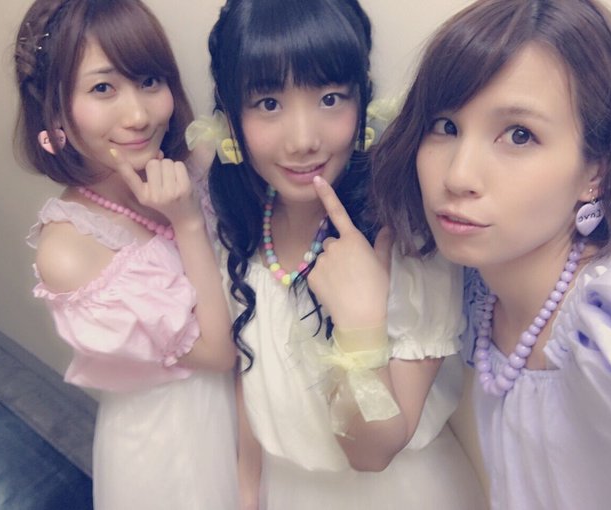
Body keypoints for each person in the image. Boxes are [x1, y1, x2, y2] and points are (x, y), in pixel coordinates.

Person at [204, 0, 486, 508]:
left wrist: (361, 325)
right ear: (231, 115)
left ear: (362, 99)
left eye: (330, 98)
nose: (303, 140)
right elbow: (251, 376)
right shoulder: (246, 221)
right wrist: (247, 491)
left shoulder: (404, 236)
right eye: (268, 103)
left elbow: (374, 452)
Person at [372, 0, 611, 508]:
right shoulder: (479, 297)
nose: (458, 175)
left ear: (596, 171)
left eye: (519, 135)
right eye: (445, 126)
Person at [14, 1, 238, 508]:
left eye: (149, 80)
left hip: (253, 405)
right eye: (102, 88)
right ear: (54, 111)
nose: (138, 115)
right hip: (178, 445)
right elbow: (216, 354)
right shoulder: (69, 252)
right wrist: (186, 223)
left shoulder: (196, 161)